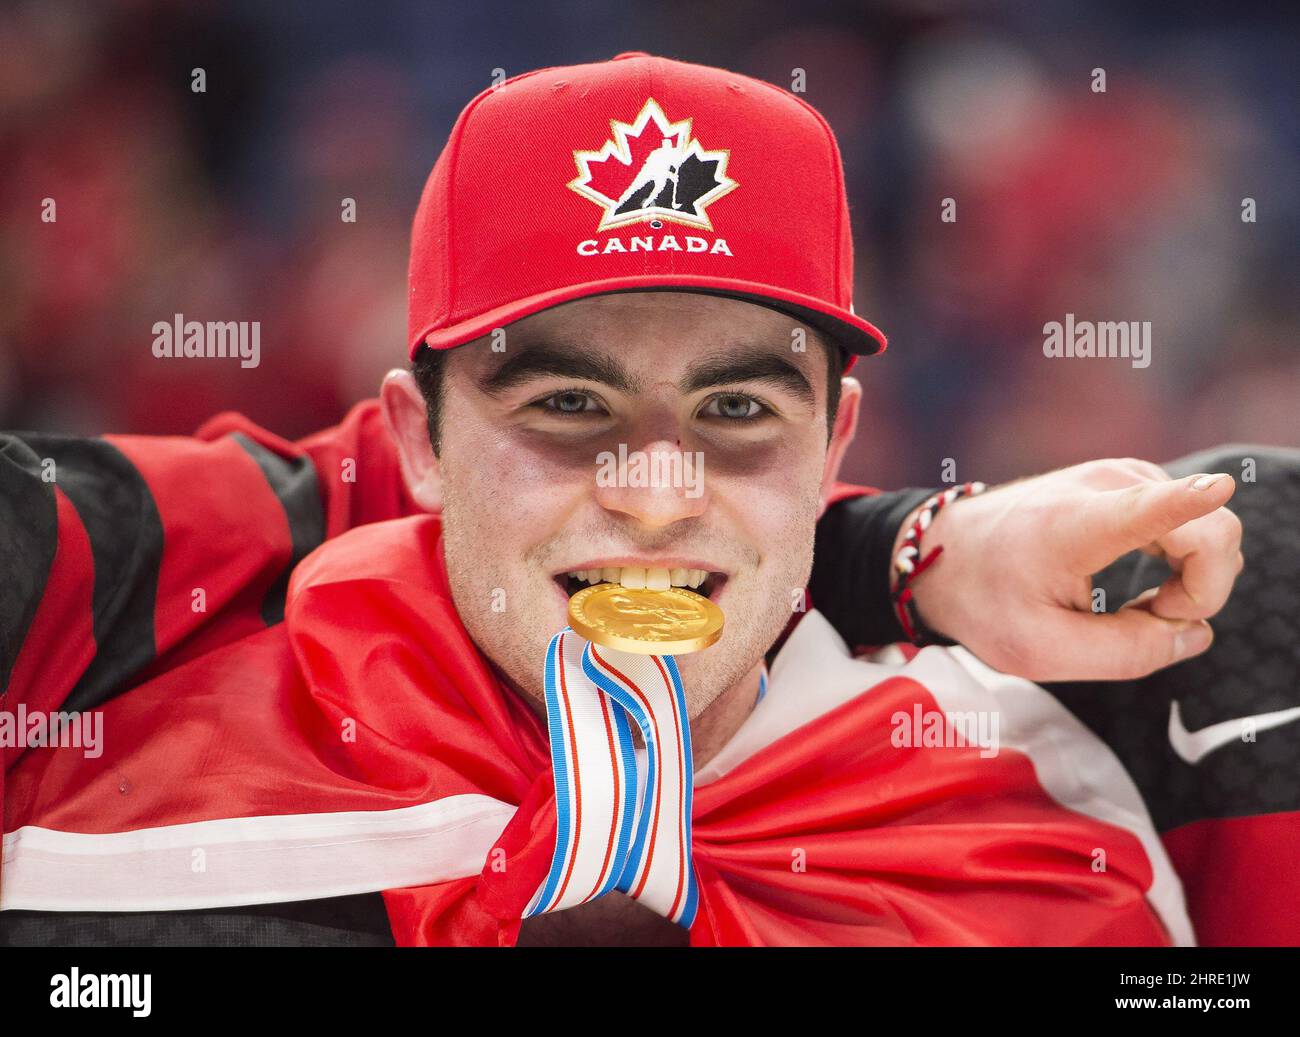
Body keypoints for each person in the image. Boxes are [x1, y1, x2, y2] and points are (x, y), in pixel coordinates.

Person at [0, 53, 1255, 946]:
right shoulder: (98, 761)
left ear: (837, 450)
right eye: (567, 406)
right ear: (414, 441)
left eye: (736, 412)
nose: (655, 497)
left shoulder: (1049, 839)